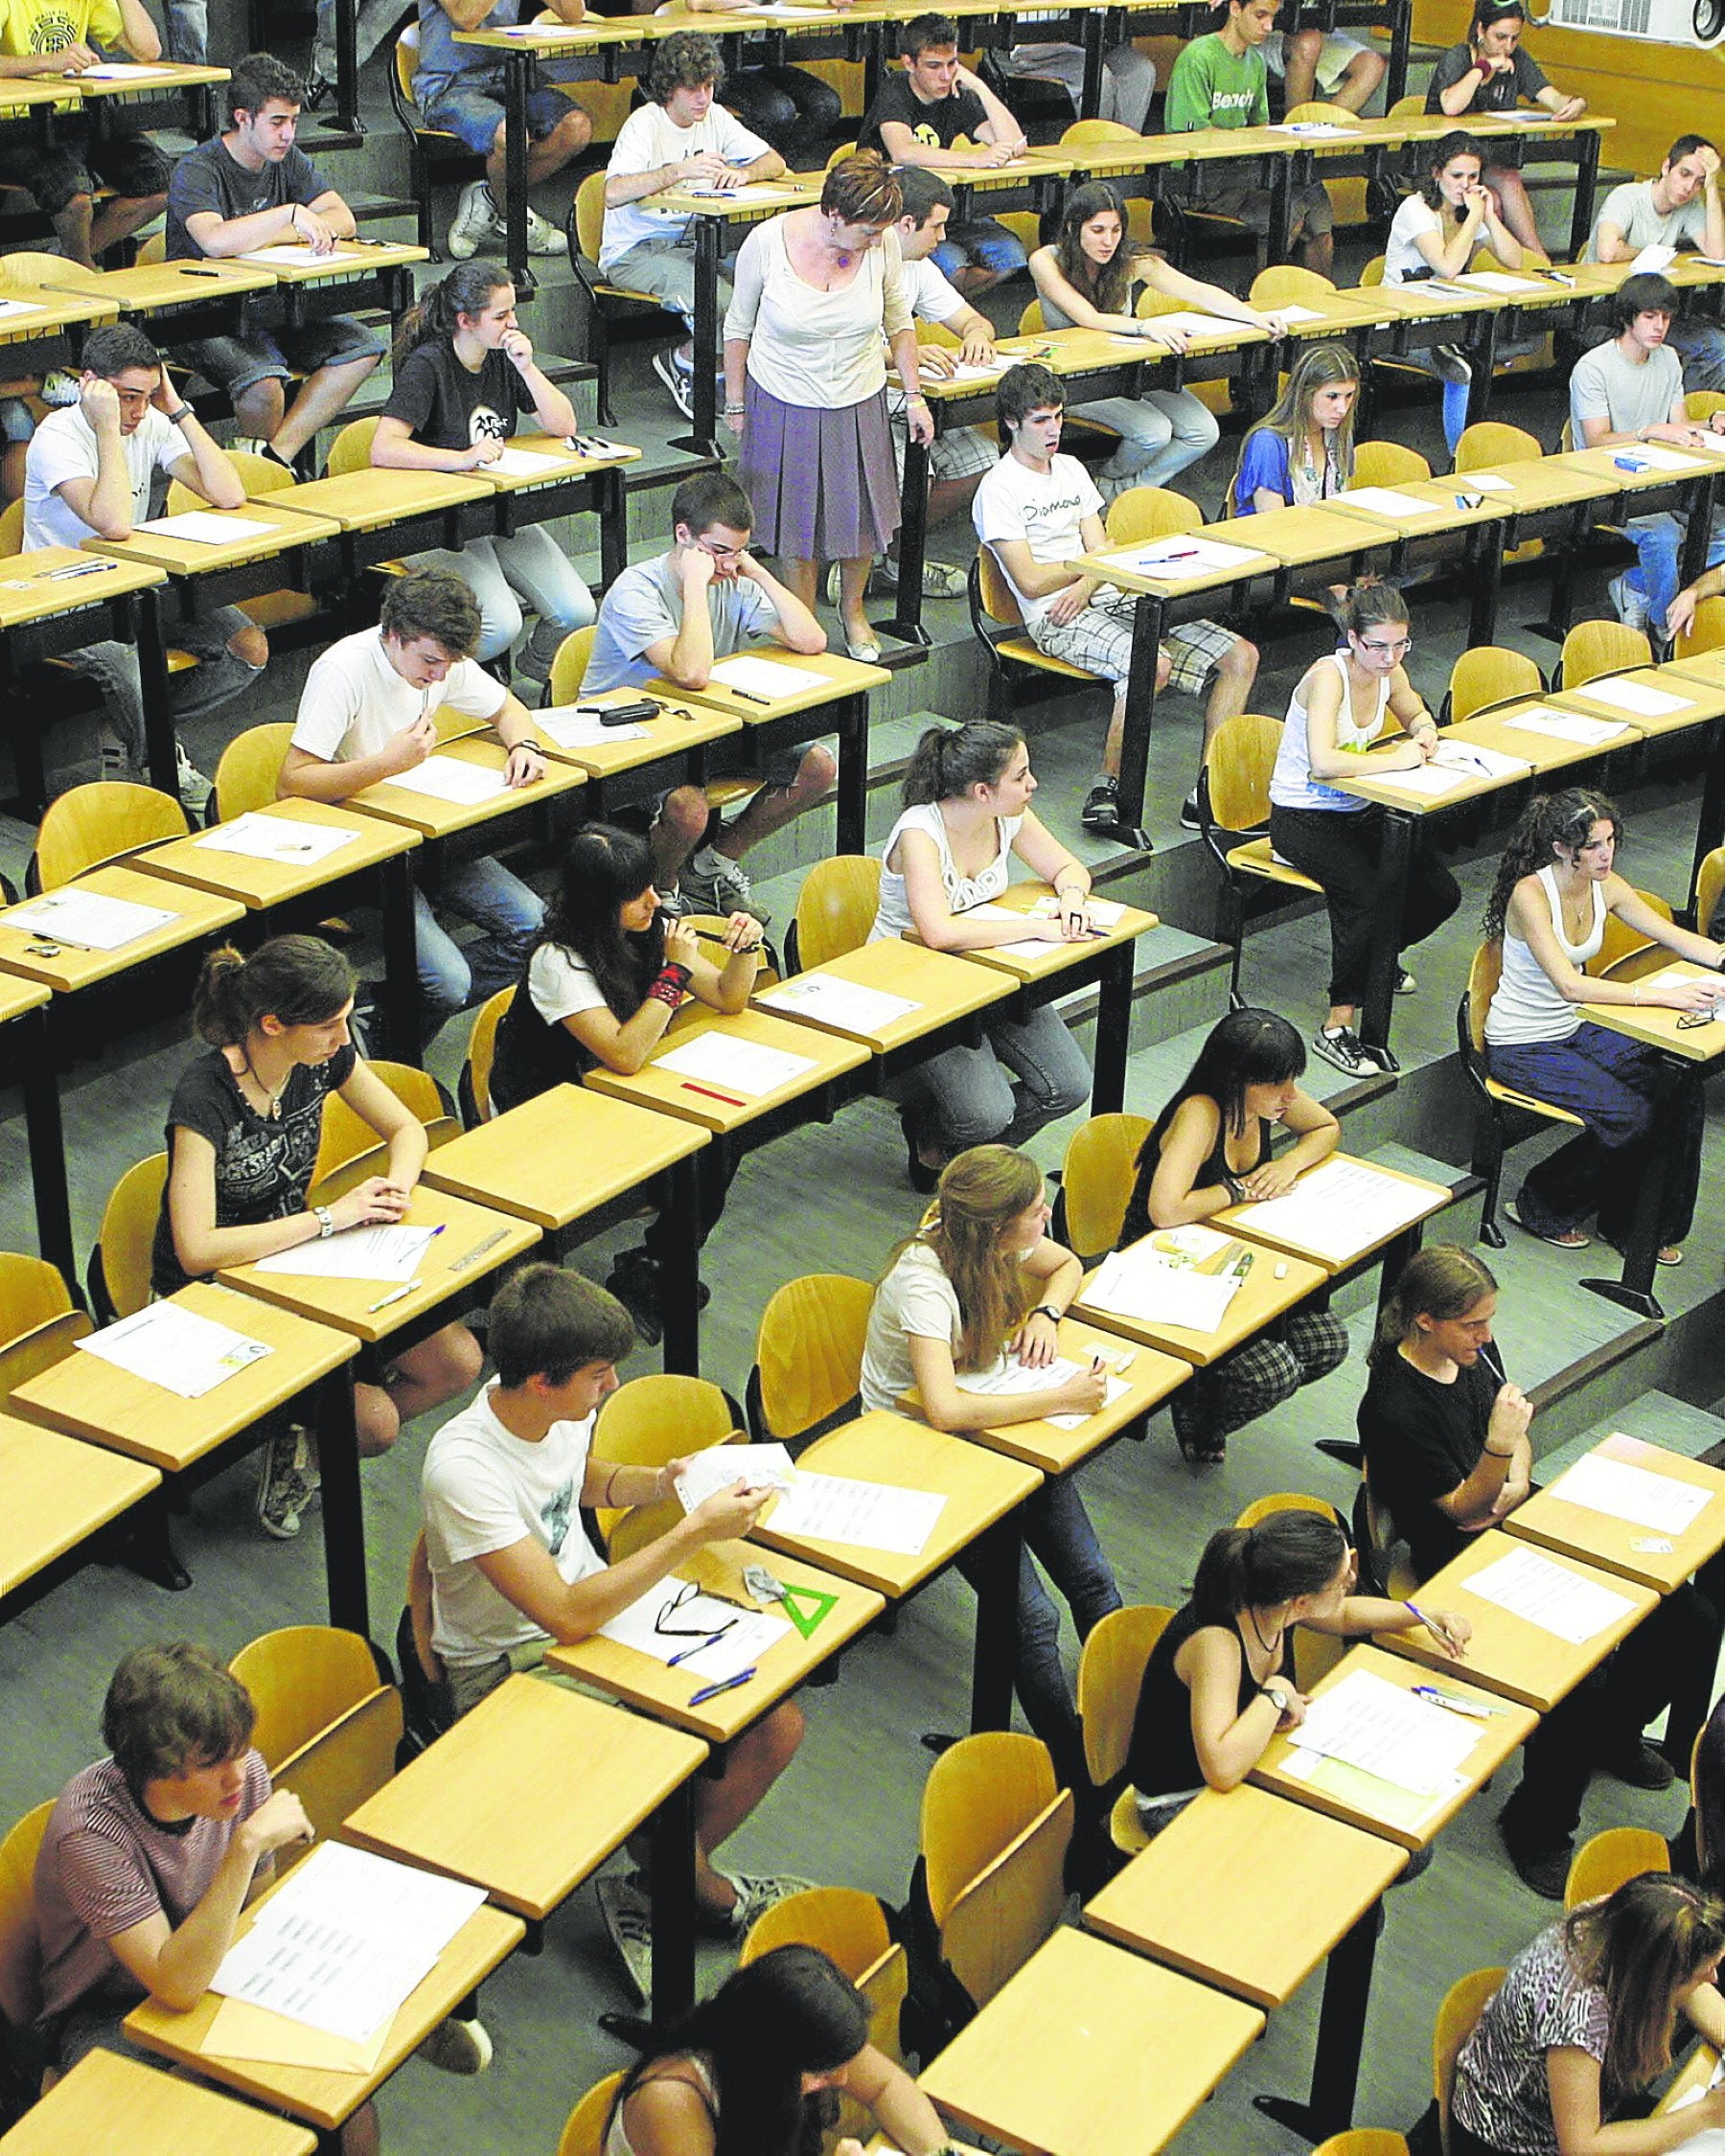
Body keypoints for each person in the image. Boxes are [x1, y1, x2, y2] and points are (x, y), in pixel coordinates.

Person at [420, 1263, 808, 2002]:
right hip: (511, 1663)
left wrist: (660, 1484)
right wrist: (692, 1531)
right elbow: (563, 1614)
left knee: (773, 1724)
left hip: (593, 1621)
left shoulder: (549, 1415)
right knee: (661, 1759)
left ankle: (660, 1887)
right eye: (599, 1375)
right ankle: (705, 1895)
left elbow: (580, 1481)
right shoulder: (463, 1469)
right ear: (541, 1381)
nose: (610, 1388)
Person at [1359, 1245, 1725, 1895]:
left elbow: (1517, 1421)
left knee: (1689, 1619)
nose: (1487, 1336)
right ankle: (1538, 1825)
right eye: (1473, 1324)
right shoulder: (1393, 1405)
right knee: (1574, 1674)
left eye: (1489, 1320)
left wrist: (1515, 1469)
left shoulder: (1470, 1356)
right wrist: (1499, 1454)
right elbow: (1460, 1510)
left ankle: (1613, 1735)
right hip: (1461, 1558)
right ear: (1426, 1321)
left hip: (1513, 1516)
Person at [152, 938, 483, 1536]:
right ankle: (307, 1428)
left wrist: (394, 1191)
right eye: (329, 1025)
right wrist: (330, 1219)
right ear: (272, 1025)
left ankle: (306, 1438)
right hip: (212, 1293)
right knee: (376, 1423)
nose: (344, 1037)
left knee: (457, 1362)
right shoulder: (204, 1097)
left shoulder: (325, 1059)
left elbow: (406, 1129)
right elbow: (196, 1248)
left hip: (299, 1259)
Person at [31, 1643, 401, 2145]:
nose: (238, 1775)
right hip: (111, 2006)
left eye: (239, 1750)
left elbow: (252, 1914)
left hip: (212, 1965)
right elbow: (173, 1986)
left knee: (337, 2087)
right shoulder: (91, 1833)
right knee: (197, 2124)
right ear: (155, 1768)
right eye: (211, 1764)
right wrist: (245, 1847)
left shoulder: (240, 1774)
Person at [860, 1145, 1119, 1787]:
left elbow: (1066, 1267)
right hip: (919, 1446)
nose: (1048, 1214)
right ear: (996, 1226)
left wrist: (1046, 1314)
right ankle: (1073, 1764)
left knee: (1091, 1575)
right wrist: (1061, 1397)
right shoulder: (924, 1281)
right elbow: (943, 1410)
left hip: (995, 1414)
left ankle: (1127, 1715)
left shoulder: (989, 1241)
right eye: (1035, 1211)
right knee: (1033, 1617)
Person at [490, 824, 763, 1337]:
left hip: (616, 1095)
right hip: (550, 1109)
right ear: (597, 903)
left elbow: (729, 998)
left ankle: (655, 1263)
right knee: (692, 1154)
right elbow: (625, 1053)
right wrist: (674, 976)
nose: (654, 901)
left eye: (652, 887)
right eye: (636, 895)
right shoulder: (558, 960)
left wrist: (745, 948)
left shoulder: (650, 926)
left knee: (721, 1140)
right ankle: (653, 1266)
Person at [973, 363, 1260, 839]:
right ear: (1012, 423)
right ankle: (1109, 788)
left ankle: (1206, 790)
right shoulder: (999, 488)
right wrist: (1089, 569)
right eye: (1041, 421)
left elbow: (1101, 547)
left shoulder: (1071, 469)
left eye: (1059, 417)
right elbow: (1028, 581)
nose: (1054, 431)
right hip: (1053, 616)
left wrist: (1088, 576)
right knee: (1151, 663)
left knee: (1240, 655)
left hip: (1102, 592)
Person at [278, 570, 549, 1037]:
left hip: (427, 831)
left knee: (537, 929)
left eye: (449, 663)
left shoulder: (439, 657)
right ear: (394, 635)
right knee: (447, 981)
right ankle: (394, 1039)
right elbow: (292, 783)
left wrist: (525, 745)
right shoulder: (343, 671)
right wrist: (386, 764)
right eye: (429, 661)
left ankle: (384, 1005)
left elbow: (507, 709)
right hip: (362, 849)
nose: (439, 676)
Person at [22, 322, 261, 815]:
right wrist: (107, 426)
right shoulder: (56, 436)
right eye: (128, 397)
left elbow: (228, 493)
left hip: (135, 587)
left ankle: (134, 727)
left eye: (148, 396)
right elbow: (111, 522)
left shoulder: (152, 419)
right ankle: (161, 766)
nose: (138, 411)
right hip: (61, 604)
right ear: (91, 384)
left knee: (247, 648)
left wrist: (178, 411)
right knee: (127, 666)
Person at [1482, 788, 1725, 1262]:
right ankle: (1541, 1204)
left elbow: (1675, 936)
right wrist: (1664, 997)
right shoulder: (1530, 895)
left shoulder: (1607, 885)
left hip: (1575, 1029)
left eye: (1610, 840)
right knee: (1633, 1115)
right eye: (1593, 845)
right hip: (1523, 1043)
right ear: (1561, 848)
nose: (1606, 853)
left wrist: (1722, 956)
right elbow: (1570, 986)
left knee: (1679, 1087)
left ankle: (1639, 1226)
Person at [581, 468, 834, 921]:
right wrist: (696, 583)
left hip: (700, 728)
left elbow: (811, 640)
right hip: (631, 738)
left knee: (818, 767)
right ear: (684, 535)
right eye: (719, 551)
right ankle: (661, 888)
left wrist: (757, 571)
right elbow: (691, 672)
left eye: (739, 551)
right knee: (689, 809)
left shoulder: (734, 576)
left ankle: (712, 864)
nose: (729, 565)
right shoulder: (636, 590)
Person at [1122, 1511, 1468, 1837]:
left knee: (1370, 1828)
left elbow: (1347, 1615)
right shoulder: (1217, 1643)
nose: (1351, 1580)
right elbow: (1221, 1769)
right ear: (1300, 1602)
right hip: (1180, 1799)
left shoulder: (1274, 1603)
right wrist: (1275, 1691)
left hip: (1256, 1760)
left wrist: (1422, 1614)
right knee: (1339, 1845)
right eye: (1343, 1577)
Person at [723, 151, 930, 665]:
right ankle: (804, 615)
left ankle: (853, 611)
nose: (876, 241)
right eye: (867, 231)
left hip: (857, 397)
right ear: (835, 215)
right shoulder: (768, 242)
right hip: (782, 396)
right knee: (798, 524)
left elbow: (901, 324)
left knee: (860, 517)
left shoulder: (880, 250)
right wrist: (735, 403)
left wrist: (915, 394)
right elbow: (737, 327)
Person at [1116, 1008, 1347, 1463]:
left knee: (1327, 1341)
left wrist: (1286, 1164)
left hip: (1227, 1256)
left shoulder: (1267, 1101)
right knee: (1272, 1374)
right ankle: (1197, 1408)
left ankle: (1204, 1396)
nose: (1289, 1096)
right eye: (1277, 1084)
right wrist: (1237, 1189)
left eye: (1292, 1081)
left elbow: (1326, 1127)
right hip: (1163, 1270)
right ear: (1238, 1079)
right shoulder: (1201, 1113)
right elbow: (1165, 1210)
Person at [868, 721, 1094, 1182]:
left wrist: (1071, 897)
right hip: (914, 985)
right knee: (988, 1115)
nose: (1032, 785)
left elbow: (1068, 866)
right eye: (1020, 776)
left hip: (988, 972)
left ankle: (958, 1164)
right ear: (981, 792)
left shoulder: (1009, 814)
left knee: (1070, 1086)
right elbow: (937, 932)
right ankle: (958, 1159)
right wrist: (1039, 927)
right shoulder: (920, 832)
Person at [1267, 582, 1461, 1076]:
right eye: (1379, 646)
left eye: (1401, 645)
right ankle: (1338, 1026)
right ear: (1352, 639)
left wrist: (1423, 731)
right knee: (1365, 895)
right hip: (1302, 815)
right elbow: (1323, 764)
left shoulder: (1389, 670)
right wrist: (1395, 760)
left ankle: (1376, 961)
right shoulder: (1328, 676)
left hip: (1360, 808)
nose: (1391, 656)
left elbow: (1415, 709)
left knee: (1440, 891)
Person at [371, 264, 595, 691]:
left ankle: (521, 676)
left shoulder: (502, 359)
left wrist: (528, 367)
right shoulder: (429, 365)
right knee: (500, 623)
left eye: (513, 312)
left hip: (496, 515)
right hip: (435, 524)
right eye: (501, 316)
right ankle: (431, 693)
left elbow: (564, 425)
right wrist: (461, 458)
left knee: (576, 611)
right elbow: (384, 447)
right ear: (465, 321)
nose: (513, 324)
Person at [164, 54, 386, 471]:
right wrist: (288, 216)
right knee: (265, 382)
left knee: (361, 348)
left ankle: (274, 460)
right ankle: (258, 481)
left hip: (269, 308)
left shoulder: (289, 160)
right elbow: (214, 240)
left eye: (294, 122)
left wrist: (286, 227)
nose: (287, 135)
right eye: (277, 122)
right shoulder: (197, 169)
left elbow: (343, 220)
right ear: (242, 118)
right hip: (199, 315)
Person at [1028, 180, 1288, 502]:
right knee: (1153, 431)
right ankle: (1112, 487)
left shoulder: (1131, 261)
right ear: (1073, 227)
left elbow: (1197, 290)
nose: (1108, 241)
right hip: (1078, 377)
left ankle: (1118, 491)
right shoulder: (1045, 260)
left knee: (1203, 431)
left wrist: (1253, 317)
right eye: (1097, 230)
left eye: (1116, 230)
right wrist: (1145, 327)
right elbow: (1089, 318)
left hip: (1127, 369)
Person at [1452, 1876, 1725, 2154]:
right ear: (1658, 1978)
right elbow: (1582, 2148)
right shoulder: (1578, 2018)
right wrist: (1706, 2114)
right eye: (1703, 1974)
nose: (1714, 1979)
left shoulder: (1624, 1924)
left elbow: (1690, 1987)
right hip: (1512, 2140)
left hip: (1575, 2110)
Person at [605, 1943, 951, 2156]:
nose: (842, 2078)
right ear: (767, 2060)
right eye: (820, 2072)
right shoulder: (670, 2103)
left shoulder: (799, 2033)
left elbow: (886, 2086)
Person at [599, 32, 787, 422]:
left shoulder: (715, 117)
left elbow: (775, 161)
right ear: (669, 88)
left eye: (709, 87)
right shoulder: (644, 125)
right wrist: (676, 172)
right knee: (718, 301)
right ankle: (694, 367)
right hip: (633, 253)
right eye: (692, 89)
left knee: (759, 291)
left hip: (688, 246)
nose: (704, 98)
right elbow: (613, 192)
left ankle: (692, 365)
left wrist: (745, 173)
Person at [1570, 271, 1725, 640]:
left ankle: (1637, 586)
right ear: (1628, 317)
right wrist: (1648, 431)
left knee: (1717, 530)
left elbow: (1680, 426)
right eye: (1650, 317)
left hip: (1662, 481)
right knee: (1665, 537)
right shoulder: (1593, 368)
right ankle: (1663, 626)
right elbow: (1595, 441)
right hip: (1607, 487)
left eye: (1666, 318)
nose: (1660, 327)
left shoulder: (1669, 359)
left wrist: (1712, 422)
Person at [869, 166, 1000, 601]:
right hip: (861, 394)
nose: (943, 238)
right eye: (937, 226)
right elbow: (834, 348)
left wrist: (978, 335)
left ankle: (892, 556)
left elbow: (970, 319)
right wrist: (904, 354)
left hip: (912, 397)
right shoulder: (861, 262)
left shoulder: (918, 267)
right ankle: (878, 560)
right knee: (915, 469)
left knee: (982, 458)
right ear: (906, 224)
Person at [856, 13, 1029, 297]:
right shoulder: (895, 90)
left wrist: (979, 87)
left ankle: (948, 309)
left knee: (1010, 257)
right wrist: (974, 160)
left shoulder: (956, 92)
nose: (946, 75)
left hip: (946, 210)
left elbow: (1013, 142)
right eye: (934, 66)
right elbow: (902, 151)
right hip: (900, 217)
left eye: (952, 64)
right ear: (909, 63)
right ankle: (939, 313)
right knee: (951, 267)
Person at [1384, 131, 1533, 455]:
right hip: (1401, 323)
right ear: (1437, 173)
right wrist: (1475, 219)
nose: (1464, 185)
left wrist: (1489, 216)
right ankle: (1458, 456)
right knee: (1464, 367)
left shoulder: (1470, 213)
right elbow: (1448, 266)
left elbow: (1515, 259)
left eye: (1473, 176)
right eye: (1456, 176)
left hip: (1447, 321)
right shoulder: (1416, 208)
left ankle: (1474, 446)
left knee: (1498, 347)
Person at [1164, 0, 1334, 277]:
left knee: (1314, 195)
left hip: (1242, 174)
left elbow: (1261, 126)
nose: (1268, 26)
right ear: (1234, 9)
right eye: (1260, 15)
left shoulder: (1255, 61)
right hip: (1201, 182)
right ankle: (1262, 296)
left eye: (1272, 17)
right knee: (1287, 207)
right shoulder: (1198, 56)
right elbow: (1193, 136)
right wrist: (1247, 143)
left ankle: (1321, 295)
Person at [415, 0, 591, 261]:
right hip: (449, 84)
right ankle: (513, 216)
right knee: (511, 135)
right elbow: (466, 16)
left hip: (507, 75)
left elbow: (574, 14)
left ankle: (489, 197)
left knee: (576, 128)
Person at [0, 0, 166, 270]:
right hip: (17, 124)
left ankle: (66, 261)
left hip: (77, 118)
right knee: (74, 195)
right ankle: (82, 269)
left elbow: (148, 49)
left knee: (157, 183)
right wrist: (46, 62)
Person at [1426, 0, 1584, 255]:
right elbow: (1451, 106)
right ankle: (1536, 259)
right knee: (1500, 191)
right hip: (1443, 162)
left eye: (1514, 38)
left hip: (1485, 161)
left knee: (1501, 191)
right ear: (1480, 30)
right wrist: (1484, 67)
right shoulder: (1458, 57)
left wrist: (1575, 103)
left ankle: (1531, 258)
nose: (1507, 47)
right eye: (1500, 37)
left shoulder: (1517, 59)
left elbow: (1552, 97)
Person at [1582, 135, 1725, 397]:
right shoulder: (1627, 196)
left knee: (1718, 346)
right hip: (1604, 313)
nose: (1689, 187)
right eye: (1684, 174)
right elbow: (1607, 250)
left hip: (1651, 314)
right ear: (1665, 167)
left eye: (1699, 182)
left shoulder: (1690, 205)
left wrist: (1713, 185)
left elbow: (1718, 253)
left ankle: (1681, 414)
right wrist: (1653, 253)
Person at [663, 6, 841, 170]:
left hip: (764, 58)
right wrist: (750, 6)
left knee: (827, 103)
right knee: (779, 110)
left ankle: (783, 166)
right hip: (718, 65)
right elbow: (697, 3)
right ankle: (765, 165)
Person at [989, 24, 1156, 139]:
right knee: (1097, 75)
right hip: (1029, 42)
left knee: (1141, 70)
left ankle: (1124, 155)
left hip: (1093, 38)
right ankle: (1094, 155)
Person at [1264, 21, 1385, 113]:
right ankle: (1297, 130)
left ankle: (1323, 132)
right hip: (1272, 28)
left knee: (1371, 64)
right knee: (1308, 43)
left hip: (1320, 28)